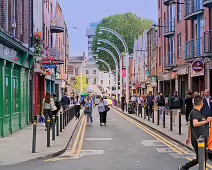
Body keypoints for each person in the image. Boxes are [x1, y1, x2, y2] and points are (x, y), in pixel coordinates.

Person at [178, 95, 212, 170]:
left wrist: (189, 137)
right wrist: (206, 121)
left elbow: (189, 126)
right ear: (201, 103)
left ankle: (183, 168)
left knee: (202, 158)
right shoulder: (195, 113)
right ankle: (183, 167)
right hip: (198, 140)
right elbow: (195, 123)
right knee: (201, 158)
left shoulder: (193, 112)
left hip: (197, 139)